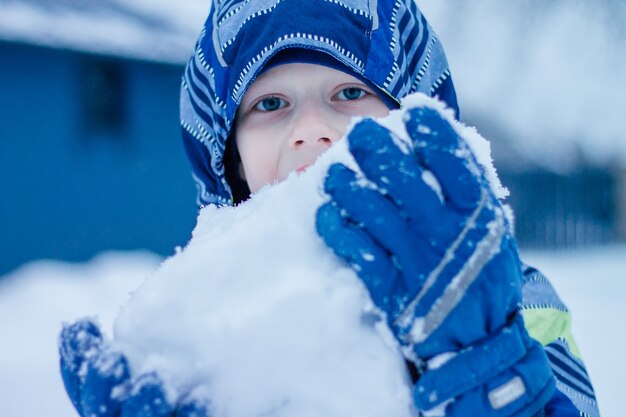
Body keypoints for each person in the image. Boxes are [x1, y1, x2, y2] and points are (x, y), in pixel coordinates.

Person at [59, 1, 600, 417]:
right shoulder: (201, 322)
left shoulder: (498, 295)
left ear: (416, 116)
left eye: (348, 94)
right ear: (231, 161)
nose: (311, 131)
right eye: (271, 105)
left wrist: (488, 368)